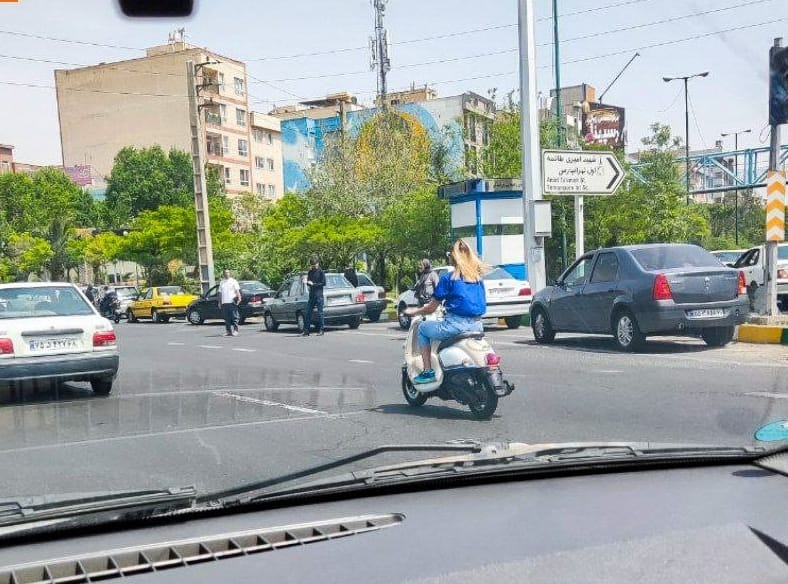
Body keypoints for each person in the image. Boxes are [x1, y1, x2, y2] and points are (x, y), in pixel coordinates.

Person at [404, 240, 487, 384]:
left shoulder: (449, 278)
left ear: (452, 257)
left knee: (423, 329)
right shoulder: (477, 279)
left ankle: (428, 371)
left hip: (455, 326)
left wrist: (415, 312)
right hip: (477, 326)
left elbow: (431, 308)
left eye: (449, 255)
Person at [303, 255, 326, 337]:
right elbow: (309, 283)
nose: (314, 267)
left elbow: (323, 283)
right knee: (308, 313)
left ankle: (321, 330)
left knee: (320, 313)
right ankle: (306, 330)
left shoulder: (321, 272)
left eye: (315, 265)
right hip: (311, 295)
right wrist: (306, 282)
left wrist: (314, 284)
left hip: (319, 295)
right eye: (312, 265)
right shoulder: (310, 272)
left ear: (318, 263)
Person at [218, 269, 242, 337]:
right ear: (223, 274)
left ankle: (236, 330)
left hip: (232, 302)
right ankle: (228, 331)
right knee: (226, 318)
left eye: (228, 272)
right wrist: (219, 302)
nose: (226, 274)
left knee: (234, 317)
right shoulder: (222, 282)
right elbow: (220, 292)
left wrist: (239, 298)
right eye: (225, 273)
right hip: (224, 302)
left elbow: (237, 291)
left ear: (230, 273)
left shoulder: (233, 281)